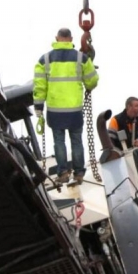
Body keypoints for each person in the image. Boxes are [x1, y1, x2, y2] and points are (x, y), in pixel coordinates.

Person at [33, 28, 99, 184]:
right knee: (76, 141)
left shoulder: (44, 60)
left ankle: (63, 172)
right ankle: (79, 173)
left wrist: (38, 106)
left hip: (55, 110)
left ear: (56, 38)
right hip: (74, 109)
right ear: (71, 39)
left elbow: (39, 86)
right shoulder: (81, 58)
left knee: (59, 141)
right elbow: (92, 81)